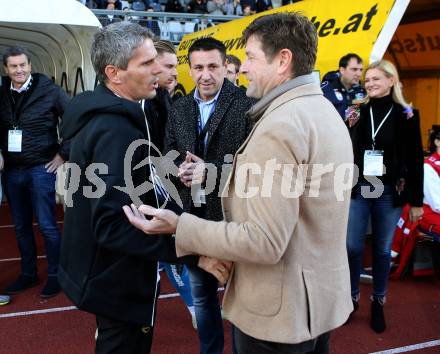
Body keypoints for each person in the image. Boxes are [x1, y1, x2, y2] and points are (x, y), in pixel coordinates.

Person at [124, 12, 354, 354]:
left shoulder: (280, 125)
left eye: (250, 57)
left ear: (283, 61)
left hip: (278, 313)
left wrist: (179, 226)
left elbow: (263, 240)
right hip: (314, 304)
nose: (242, 67)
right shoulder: (321, 110)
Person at [58, 22, 227, 354]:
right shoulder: (115, 130)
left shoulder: (117, 116)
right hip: (117, 280)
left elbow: (126, 186)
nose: (159, 71)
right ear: (115, 73)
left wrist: (169, 172)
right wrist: (190, 251)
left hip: (112, 274)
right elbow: (111, 225)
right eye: (147, 63)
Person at [162, 37, 255, 354]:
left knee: (244, 298)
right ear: (189, 69)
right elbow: (170, 152)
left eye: (213, 67)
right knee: (202, 297)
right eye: (199, 67)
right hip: (194, 217)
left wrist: (212, 171)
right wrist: (179, 170)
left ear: (225, 66)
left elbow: (257, 165)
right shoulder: (179, 108)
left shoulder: (246, 105)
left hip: (235, 218)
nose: (206, 75)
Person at [346, 59, 424, 333]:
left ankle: (378, 300)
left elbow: (416, 159)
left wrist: (416, 201)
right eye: (367, 80)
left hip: (389, 190)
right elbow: (344, 144)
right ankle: (353, 296)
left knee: (381, 249)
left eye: (376, 79)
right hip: (360, 186)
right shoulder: (356, 110)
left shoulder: (407, 114)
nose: (370, 84)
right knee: (352, 246)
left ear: (392, 80)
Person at [0, 45, 69, 299]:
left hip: (41, 168)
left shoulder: (50, 91)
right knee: (20, 226)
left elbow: (75, 120)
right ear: (6, 69)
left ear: (30, 66)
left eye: (22, 65)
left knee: (48, 225)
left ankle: (56, 276)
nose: (19, 70)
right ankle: (28, 274)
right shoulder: (1, 94)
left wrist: (64, 154)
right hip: (12, 171)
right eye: (13, 66)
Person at [148, 39, 196, 327]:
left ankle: (194, 308)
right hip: (148, 189)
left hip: (167, 186)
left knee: (174, 251)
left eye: (176, 65)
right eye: (169, 66)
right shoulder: (141, 103)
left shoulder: (166, 99)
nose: (175, 72)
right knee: (168, 251)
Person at [321, 53, 365, 121]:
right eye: (354, 69)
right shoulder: (327, 89)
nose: (359, 74)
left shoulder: (360, 91)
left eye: (361, 70)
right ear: (342, 70)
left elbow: (352, 122)